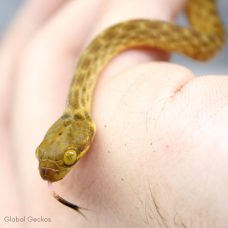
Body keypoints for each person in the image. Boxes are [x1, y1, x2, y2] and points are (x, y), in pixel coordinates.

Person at [0, 0, 228, 227]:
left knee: (210, 43)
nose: (49, 173)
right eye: (43, 154)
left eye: (69, 157)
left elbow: (209, 45)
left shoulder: (81, 119)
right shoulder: (78, 123)